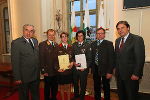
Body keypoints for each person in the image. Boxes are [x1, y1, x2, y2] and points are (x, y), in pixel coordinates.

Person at [115, 21, 145, 100]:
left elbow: (140, 58)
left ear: (128, 28)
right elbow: (117, 57)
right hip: (119, 76)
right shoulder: (117, 41)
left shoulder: (137, 39)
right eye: (118, 29)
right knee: (121, 96)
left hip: (131, 76)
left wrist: (136, 73)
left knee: (131, 96)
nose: (120, 30)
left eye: (122, 28)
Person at [11, 24, 40, 100]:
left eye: (31, 31)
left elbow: (36, 56)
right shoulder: (16, 43)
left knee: (36, 95)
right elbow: (15, 61)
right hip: (24, 77)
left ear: (33, 32)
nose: (28, 33)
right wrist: (17, 77)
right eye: (26, 30)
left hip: (35, 75)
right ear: (23, 30)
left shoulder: (35, 41)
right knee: (24, 96)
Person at [91, 28, 115, 100]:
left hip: (106, 69)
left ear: (104, 35)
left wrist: (110, 71)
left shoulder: (109, 44)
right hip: (95, 68)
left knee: (106, 86)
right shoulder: (93, 44)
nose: (99, 35)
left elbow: (112, 59)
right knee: (96, 86)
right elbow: (92, 57)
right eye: (98, 33)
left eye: (101, 33)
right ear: (96, 35)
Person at [71, 30, 91, 100]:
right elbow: (72, 56)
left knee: (83, 84)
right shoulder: (74, 45)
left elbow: (89, 59)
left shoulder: (88, 45)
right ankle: (76, 96)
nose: (80, 37)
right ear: (76, 37)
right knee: (75, 83)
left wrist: (85, 67)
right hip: (75, 68)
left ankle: (82, 97)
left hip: (84, 69)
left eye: (81, 36)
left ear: (84, 37)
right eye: (78, 36)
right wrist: (73, 62)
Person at [39, 29, 58, 100]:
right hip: (48, 71)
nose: (51, 36)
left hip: (55, 70)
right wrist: (43, 71)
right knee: (47, 87)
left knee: (55, 87)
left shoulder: (56, 44)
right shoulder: (42, 44)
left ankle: (54, 97)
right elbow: (41, 58)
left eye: (53, 35)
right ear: (47, 35)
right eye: (50, 35)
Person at [56, 32, 73, 100]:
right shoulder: (57, 47)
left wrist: (72, 62)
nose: (64, 38)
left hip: (69, 70)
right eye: (62, 36)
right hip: (61, 71)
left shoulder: (71, 47)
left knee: (69, 86)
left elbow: (73, 57)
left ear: (67, 38)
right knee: (62, 87)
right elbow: (54, 60)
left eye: (65, 36)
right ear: (61, 38)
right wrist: (57, 68)